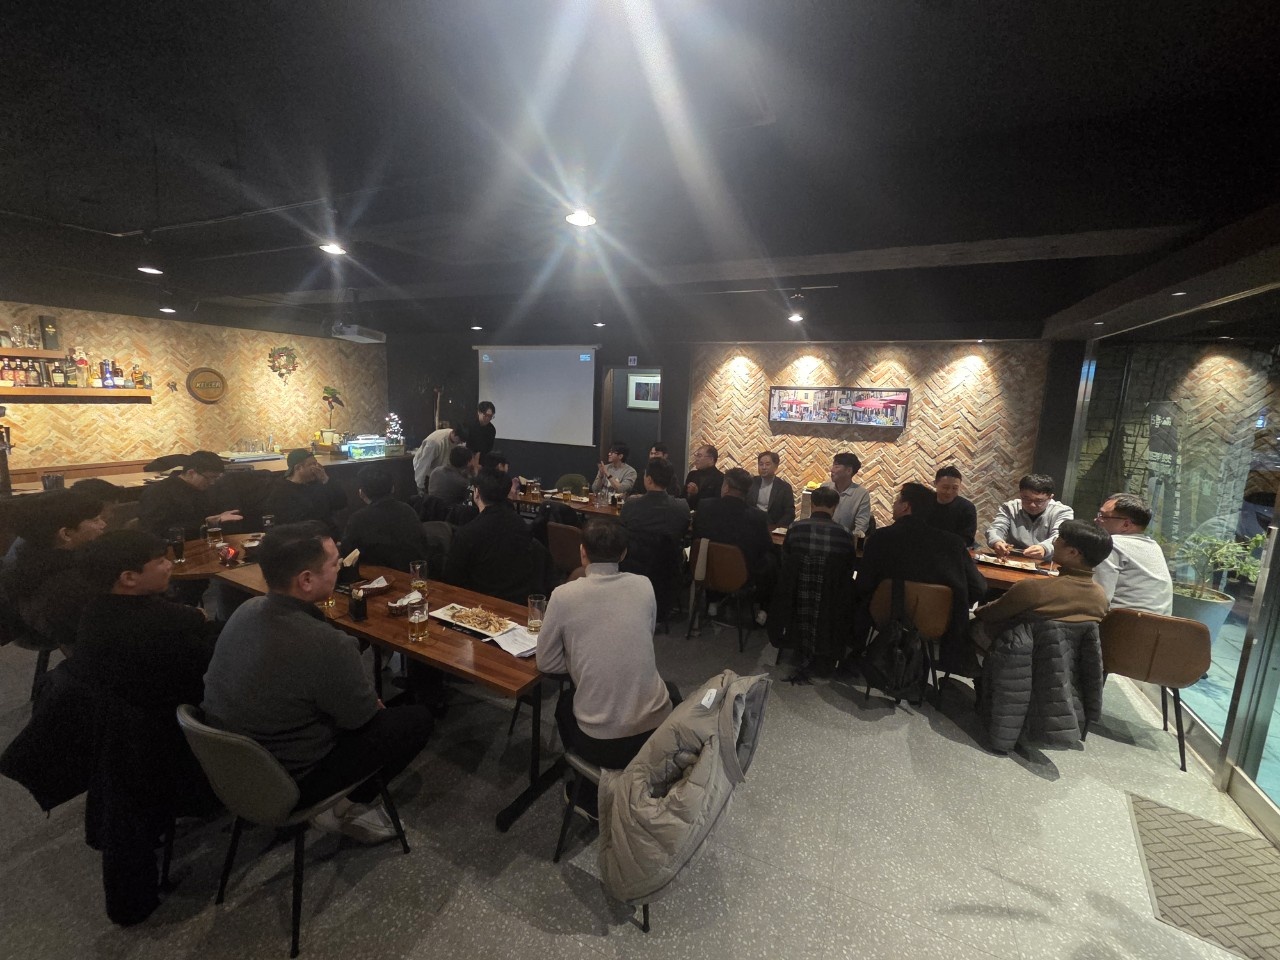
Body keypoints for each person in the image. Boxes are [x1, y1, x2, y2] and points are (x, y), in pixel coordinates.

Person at [201, 522, 433, 844]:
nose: (340, 568)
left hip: (232, 770)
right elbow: (361, 719)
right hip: (289, 780)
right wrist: (366, 702)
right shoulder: (326, 644)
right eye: (335, 563)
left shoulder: (246, 611)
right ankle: (341, 807)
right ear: (306, 580)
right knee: (416, 719)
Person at [536, 520, 675, 773]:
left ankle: (586, 786)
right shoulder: (644, 585)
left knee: (565, 705)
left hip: (603, 745)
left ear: (582, 552)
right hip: (658, 732)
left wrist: (580, 662)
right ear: (623, 554)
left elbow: (545, 662)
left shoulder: (563, 595)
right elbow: (645, 634)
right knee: (669, 689)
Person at [857, 482, 987, 674]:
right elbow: (979, 588)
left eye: (896, 501)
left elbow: (863, 584)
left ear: (906, 506)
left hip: (885, 615)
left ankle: (853, 656)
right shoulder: (953, 544)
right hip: (936, 622)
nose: (894, 505)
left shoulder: (881, 538)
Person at [971, 519, 1112, 647]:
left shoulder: (1033, 588)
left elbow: (987, 614)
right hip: (1065, 661)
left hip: (1016, 654)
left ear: (1072, 552)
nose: (1054, 542)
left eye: (1058, 539)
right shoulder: (1101, 598)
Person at [0, 489, 107, 644]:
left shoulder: (25, 556)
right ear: (66, 534)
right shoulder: (71, 582)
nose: (103, 524)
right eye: (95, 520)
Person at [443, 469, 542, 604]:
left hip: (481, 605)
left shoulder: (468, 533)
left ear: (477, 493)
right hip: (520, 601)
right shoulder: (522, 525)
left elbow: (451, 579)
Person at [692, 467, 776, 623]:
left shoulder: (704, 507)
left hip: (707, 571)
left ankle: (712, 601)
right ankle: (764, 610)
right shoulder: (758, 517)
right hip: (741, 576)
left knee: (711, 551)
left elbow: (696, 534)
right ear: (747, 491)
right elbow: (766, 546)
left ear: (726, 487)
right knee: (772, 561)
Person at [1092, 493, 1174, 615]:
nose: (1096, 520)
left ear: (1126, 524)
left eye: (1103, 516)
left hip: (1120, 623)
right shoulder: (1154, 546)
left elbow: (1097, 599)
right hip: (1159, 625)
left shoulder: (1111, 544)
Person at [339, 465, 431, 570]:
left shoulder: (358, 519)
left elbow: (346, 554)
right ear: (393, 488)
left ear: (361, 493)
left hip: (376, 576)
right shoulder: (408, 510)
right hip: (413, 572)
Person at [137, 450, 242, 540]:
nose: (212, 482)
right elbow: (156, 530)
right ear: (191, 473)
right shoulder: (159, 493)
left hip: (201, 542)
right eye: (209, 478)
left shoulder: (204, 490)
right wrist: (208, 522)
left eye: (216, 478)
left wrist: (217, 518)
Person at [986, 473, 1074, 561]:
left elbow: (1059, 537)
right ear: (1020, 494)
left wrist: (1044, 548)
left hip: (1045, 563)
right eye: (1026, 498)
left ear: (1050, 497)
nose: (1032, 505)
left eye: (1039, 501)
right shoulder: (1010, 508)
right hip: (1012, 559)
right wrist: (996, 541)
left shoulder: (1062, 512)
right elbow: (996, 528)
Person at [262, 449, 349, 537]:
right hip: (303, 539)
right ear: (298, 468)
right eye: (312, 464)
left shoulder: (318, 483)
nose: (317, 468)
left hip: (328, 535)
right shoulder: (281, 492)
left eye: (316, 463)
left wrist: (325, 479)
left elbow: (341, 504)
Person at [620, 458, 691, 545]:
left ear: (649, 480)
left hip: (637, 553)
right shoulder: (682, 507)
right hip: (670, 553)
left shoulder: (631, 505)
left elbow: (622, 533)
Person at [820, 451, 872, 536]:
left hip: (845, 540)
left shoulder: (861, 494)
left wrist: (846, 539)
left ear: (849, 471)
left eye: (836, 466)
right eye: (833, 466)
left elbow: (861, 527)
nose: (832, 470)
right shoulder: (825, 488)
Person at [927, 465, 977, 547]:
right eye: (945, 487)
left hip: (952, 549)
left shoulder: (967, 508)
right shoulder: (924, 502)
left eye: (954, 488)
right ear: (935, 484)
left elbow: (967, 539)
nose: (949, 492)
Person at [747, 451, 795, 528]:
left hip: (773, 526)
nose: (763, 467)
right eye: (761, 464)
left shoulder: (784, 487)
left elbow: (789, 513)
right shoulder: (751, 482)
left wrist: (776, 527)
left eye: (767, 464)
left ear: (776, 466)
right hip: (750, 525)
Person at [413, 424, 462, 495]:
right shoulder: (434, 443)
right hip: (425, 470)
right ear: (454, 434)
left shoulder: (458, 438)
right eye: (459, 440)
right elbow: (423, 464)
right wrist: (420, 486)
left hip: (441, 470)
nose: (460, 443)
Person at [428, 444, 475, 510]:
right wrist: (473, 474)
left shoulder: (436, 471)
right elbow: (471, 500)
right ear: (468, 463)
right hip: (449, 513)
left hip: (430, 509)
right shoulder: (464, 482)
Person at [683, 443, 724, 510]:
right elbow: (683, 496)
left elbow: (716, 502)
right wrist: (689, 495)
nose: (696, 459)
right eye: (696, 455)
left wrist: (697, 494)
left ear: (711, 459)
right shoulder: (692, 475)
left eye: (699, 456)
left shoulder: (720, 478)